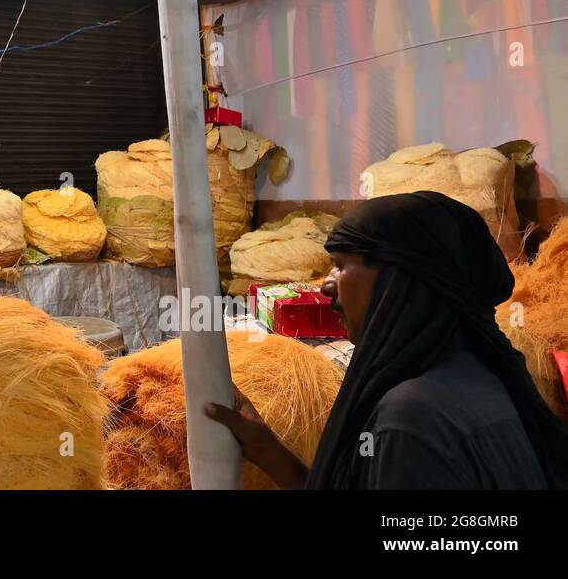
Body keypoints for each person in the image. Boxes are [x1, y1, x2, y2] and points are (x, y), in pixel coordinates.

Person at [207, 192, 568, 489]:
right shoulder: (484, 374)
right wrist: (269, 451)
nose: (325, 285)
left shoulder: (413, 416)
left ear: (399, 280)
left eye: (341, 264)